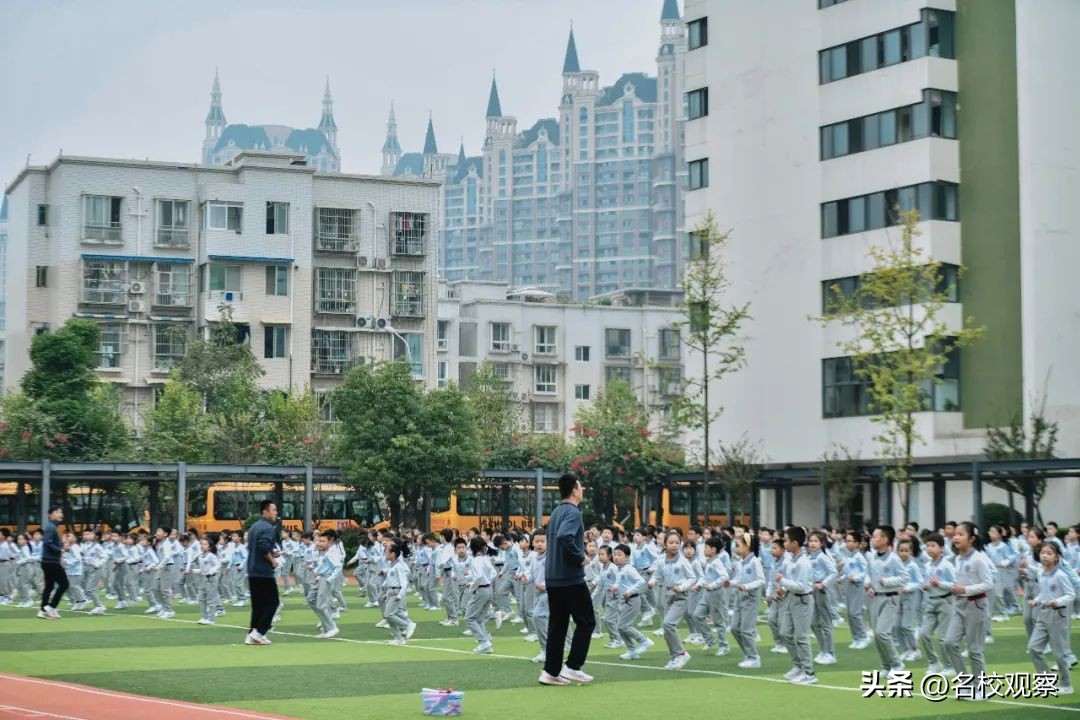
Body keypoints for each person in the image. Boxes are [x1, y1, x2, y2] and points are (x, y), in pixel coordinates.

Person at [541, 472, 596, 686]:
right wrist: (580, 556)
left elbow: (562, 536)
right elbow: (565, 537)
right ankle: (573, 667)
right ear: (574, 490)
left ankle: (550, 672)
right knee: (587, 621)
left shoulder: (556, 511)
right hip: (570, 578)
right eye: (580, 487)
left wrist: (581, 540)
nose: (582, 490)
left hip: (553, 578)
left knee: (558, 624)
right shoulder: (573, 512)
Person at [942, 521, 994, 701]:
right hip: (959, 606)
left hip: (976, 606)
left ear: (971, 539)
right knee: (948, 643)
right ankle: (965, 684)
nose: (955, 537)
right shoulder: (957, 559)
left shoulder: (979, 558)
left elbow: (988, 584)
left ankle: (983, 688)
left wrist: (965, 590)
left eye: (960, 534)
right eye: (955, 534)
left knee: (974, 650)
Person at [1028, 541, 1075, 695]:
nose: (1045, 556)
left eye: (1049, 553)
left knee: (1059, 654)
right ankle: (1046, 681)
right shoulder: (1041, 573)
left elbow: (1070, 595)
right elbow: (1044, 592)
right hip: (1043, 613)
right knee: (1034, 648)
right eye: (1043, 553)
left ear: (1057, 557)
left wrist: (1058, 601)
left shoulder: (1061, 575)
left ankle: (1066, 684)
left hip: (1058, 615)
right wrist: (1036, 600)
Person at [245, 500, 281, 646]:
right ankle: (259, 632)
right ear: (265, 512)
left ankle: (251, 634)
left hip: (252, 570)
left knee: (258, 605)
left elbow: (255, 546)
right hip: (264, 572)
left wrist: (272, 553)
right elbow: (263, 547)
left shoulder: (254, 527)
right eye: (274, 510)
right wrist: (273, 561)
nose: (276, 513)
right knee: (273, 602)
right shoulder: (268, 527)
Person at [38, 506, 68, 620]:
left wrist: (60, 545)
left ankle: (42, 610)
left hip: (47, 561)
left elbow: (50, 542)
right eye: (57, 512)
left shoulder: (52, 527)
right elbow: (48, 542)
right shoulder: (51, 527)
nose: (60, 514)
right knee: (65, 584)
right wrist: (59, 549)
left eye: (61, 512)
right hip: (51, 562)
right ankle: (51, 607)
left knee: (49, 586)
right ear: (50, 515)